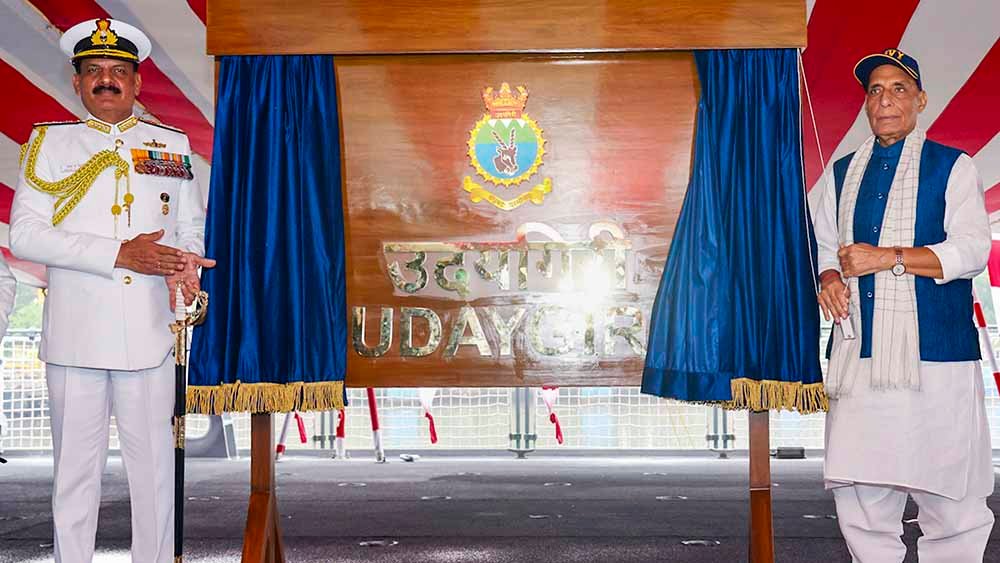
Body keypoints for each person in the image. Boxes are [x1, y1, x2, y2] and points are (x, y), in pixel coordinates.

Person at [10, 18, 214, 563]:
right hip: (76, 336)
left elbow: (189, 227)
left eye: (119, 71)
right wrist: (120, 253)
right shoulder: (50, 144)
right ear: (77, 82)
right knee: (75, 476)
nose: (107, 79)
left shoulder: (170, 145)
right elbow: (25, 236)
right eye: (95, 71)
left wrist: (183, 263)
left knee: (155, 474)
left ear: (137, 82)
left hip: (150, 331)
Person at [813, 48, 994, 561]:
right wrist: (829, 277)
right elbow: (822, 245)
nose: (885, 100)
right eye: (875, 90)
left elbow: (972, 250)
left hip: (936, 355)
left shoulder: (952, 167)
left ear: (920, 100)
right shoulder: (841, 173)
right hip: (859, 355)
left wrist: (887, 258)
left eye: (898, 89)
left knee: (951, 496)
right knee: (861, 498)